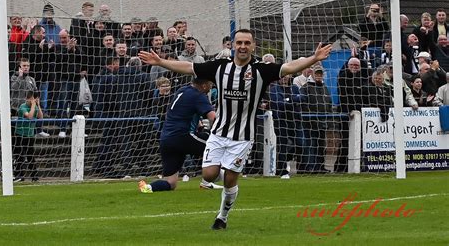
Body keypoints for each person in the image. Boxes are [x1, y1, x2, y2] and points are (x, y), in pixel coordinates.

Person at [139, 28, 332, 230]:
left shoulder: (261, 70)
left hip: (242, 137)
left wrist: (313, 58)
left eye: (247, 43)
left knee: (230, 179)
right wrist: (161, 62)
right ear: (232, 45)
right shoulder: (219, 67)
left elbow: (290, 67)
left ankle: (222, 217)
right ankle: (227, 174)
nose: (242, 46)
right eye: (239, 42)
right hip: (218, 133)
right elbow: (188, 67)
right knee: (208, 174)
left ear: (253, 46)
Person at [138, 78, 221, 193]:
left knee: (170, 182)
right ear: (203, 85)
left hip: (166, 138)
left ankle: (148, 187)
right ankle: (207, 182)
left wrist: (199, 124)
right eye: (210, 84)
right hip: (182, 136)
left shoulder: (182, 90)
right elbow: (213, 118)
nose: (211, 87)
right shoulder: (198, 95)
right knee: (216, 146)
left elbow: (185, 111)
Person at [13, 90, 43, 182]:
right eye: (32, 99)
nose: (33, 101)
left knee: (31, 156)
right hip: (20, 135)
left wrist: (38, 105)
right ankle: (19, 176)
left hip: (30, 135)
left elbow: (40, 117)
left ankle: (34, 176)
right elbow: (29, 116)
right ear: (28, 99)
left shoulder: (35, 107)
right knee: (19, 156)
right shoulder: (23, 106)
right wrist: (33, 106)